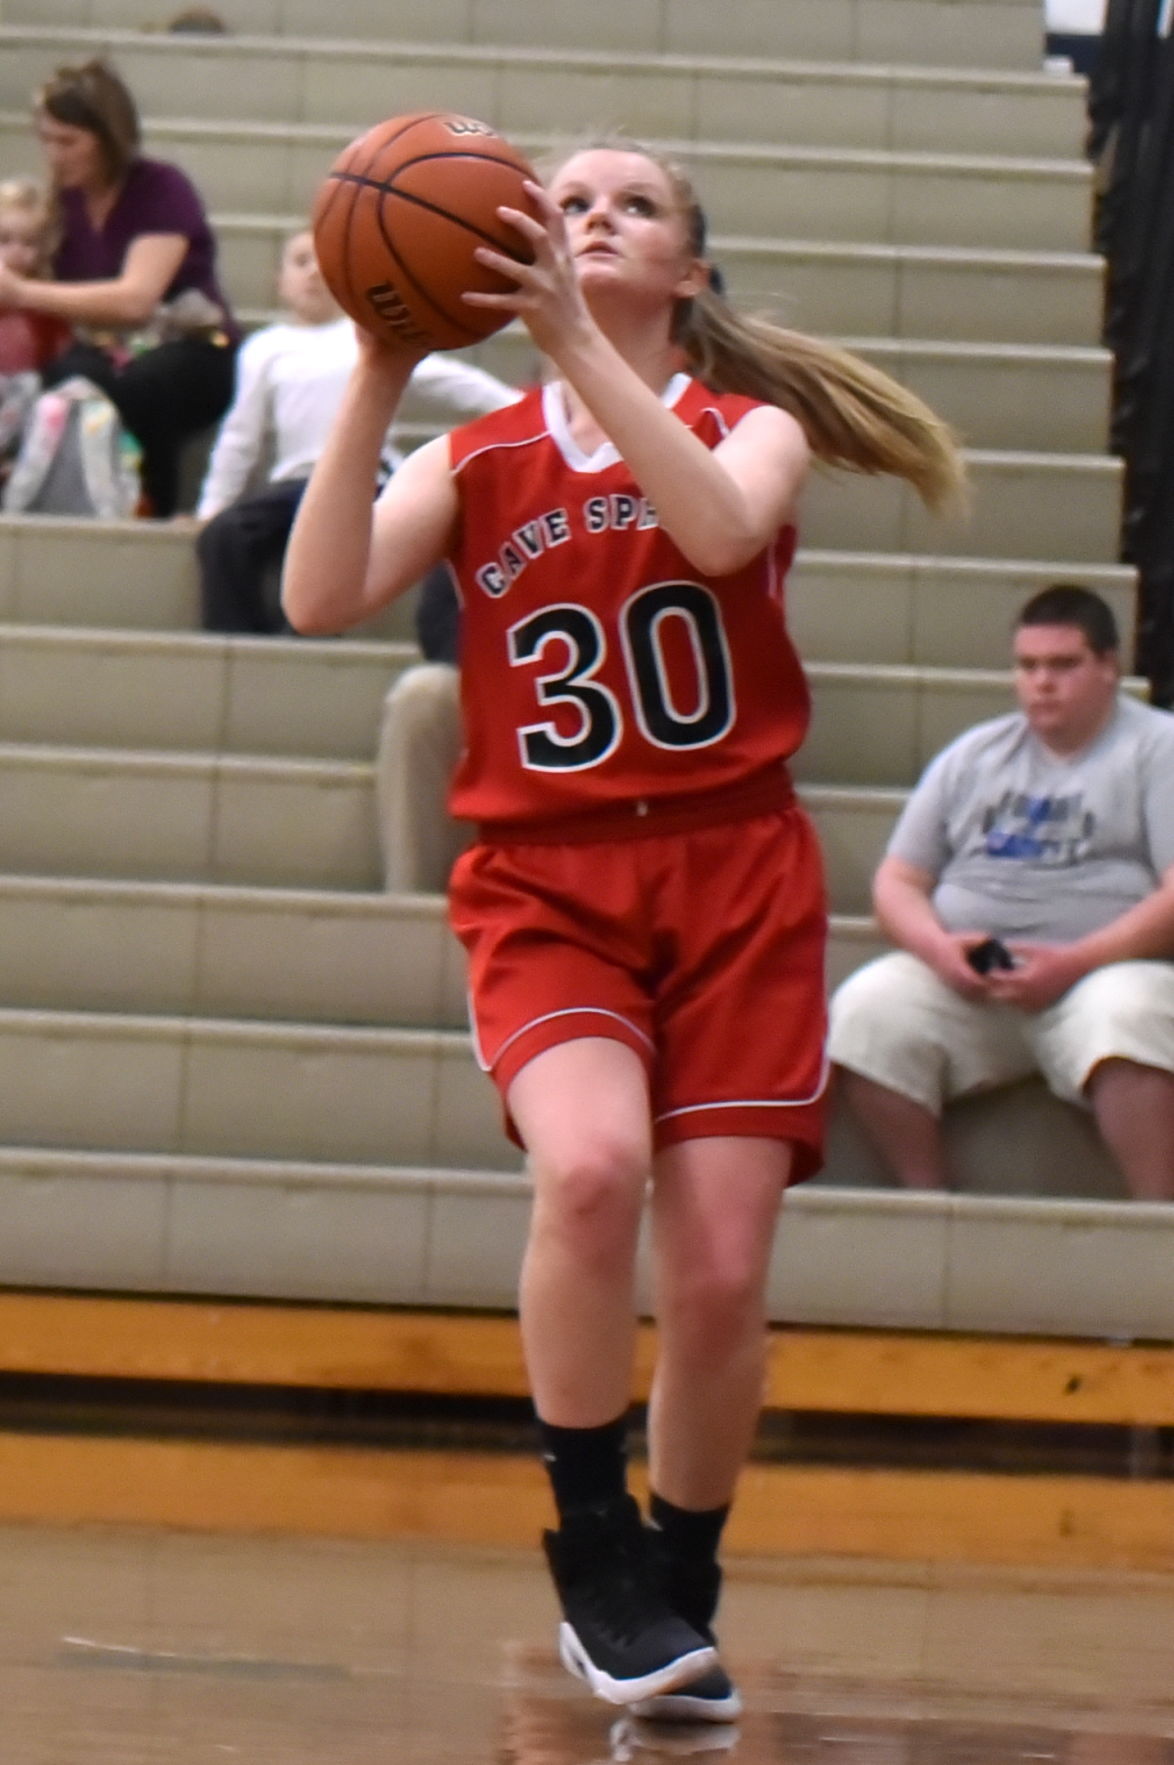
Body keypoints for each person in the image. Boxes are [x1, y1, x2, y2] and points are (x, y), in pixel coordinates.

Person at [282, 135, 964, 1722]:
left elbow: (722, 534)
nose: (591, 218)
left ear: (687, 274)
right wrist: (381, 365)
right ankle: (594, 1549)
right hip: (549, 883)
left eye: (629, 207)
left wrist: (574, 341)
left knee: (720, 1276)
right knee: (588, 1169)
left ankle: (682, 1584)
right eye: (567, 200)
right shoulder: (479, 457)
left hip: (733, 879)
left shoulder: (754, 428)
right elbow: (317, 598)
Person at [829, 583, 1174, 1201]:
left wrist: (1075, 962)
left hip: (1102, 974)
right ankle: (929, 1203)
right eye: (1028, 666)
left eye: (1063, 665)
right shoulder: (974, 755)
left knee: (1131, 1016)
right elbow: (899, 881)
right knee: (866, 1010)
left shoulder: (1158, 748)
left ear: (1109, 668)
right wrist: (939, 950)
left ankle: (1159, 1223)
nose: (1042, 682)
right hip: (977, 982)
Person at [193, 227, 518, 634]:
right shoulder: (264, 348)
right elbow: (240, 436)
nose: (313, 273)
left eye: (324, 264)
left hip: (368, 485)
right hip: (294, 486)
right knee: (225, 536)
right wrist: (211, 508)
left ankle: (308, 637)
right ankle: (240, 641)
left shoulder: (368, 336)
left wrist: (525, 411)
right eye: (300, 262)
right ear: (278, 281)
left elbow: (456, 383)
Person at [0, 59, 239, 516]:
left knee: (139, 388)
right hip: (103, 348)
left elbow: (135, 300)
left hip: (191, 345)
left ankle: (148, 514)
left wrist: (19, 292)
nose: (54, 154)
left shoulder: (160, 187)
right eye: (47, 140)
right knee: (59, 379)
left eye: (68, 142)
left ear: (108, 138)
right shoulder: (63, 203)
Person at [376, 563, 467, 892]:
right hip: (493, 686)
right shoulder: (485, 519)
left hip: (593, 701)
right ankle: (409, 904)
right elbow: (437, 619)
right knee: (422, 695)